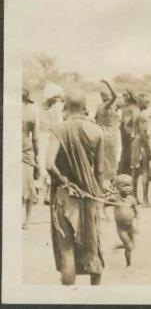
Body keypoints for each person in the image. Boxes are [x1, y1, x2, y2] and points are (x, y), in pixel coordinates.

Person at [45, 90, 105, 286]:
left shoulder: (59, 129)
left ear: (65, 108)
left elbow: (49, 165)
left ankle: (69, 299)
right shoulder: (97, 131)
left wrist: (63, 180)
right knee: (92, 244)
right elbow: (100, 170)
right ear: (85, 107)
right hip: (90, 195)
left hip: (65, 195)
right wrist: (99, 197)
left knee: (67, 249)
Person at [38, 83, 64, 205]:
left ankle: (48, 194)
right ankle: (39, 194)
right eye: (56, 97)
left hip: (52, 138)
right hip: (42, 138)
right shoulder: (39, 109)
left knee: (51, 163)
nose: (57, 100)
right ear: (50, 97)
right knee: (41, 163)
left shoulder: (57, 109)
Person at [107, 174, 138, 267]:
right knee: (129, 247)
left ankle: (122, 245)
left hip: (130, 226)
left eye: (129, 185)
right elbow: (103, 204)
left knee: (132, 246)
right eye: (124, 185)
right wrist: (105, 215)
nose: (127, 188)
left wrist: (137, 224)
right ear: (117, 187)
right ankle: (128, 264)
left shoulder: (132, 199)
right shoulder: (115, 198)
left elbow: (136, 212)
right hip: (121, 228)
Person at [95, 80, 120, 189]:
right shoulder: (106, 105)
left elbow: (95, 120)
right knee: (111, 161)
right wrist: (107, 83)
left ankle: (106, 185)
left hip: (103, 134)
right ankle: (110, 186)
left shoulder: (100, 106)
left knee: (106, 160)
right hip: (110, 136)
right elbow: (115, 96)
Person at [130, 93, 151, 206]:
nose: (148, 103)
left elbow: (127, 126)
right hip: (141, 144)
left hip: (134, 142)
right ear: (140, 102)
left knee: (135, 172)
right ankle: (145, 200)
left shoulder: (134, 113)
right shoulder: (142, 116)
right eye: (146, 101)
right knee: (145, 171)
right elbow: (143, 133)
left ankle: (135, 198)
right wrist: (148, 148)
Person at [22, 89, 40, 229]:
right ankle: (27, 220)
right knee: (28, 186)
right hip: (26, 150)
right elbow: (35, 138)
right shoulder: (32, 113)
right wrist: (37, 157)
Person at [119, 90, 140, 175]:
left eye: (126, 95)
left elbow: (135, 119)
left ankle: (126, 170)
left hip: (130, 129)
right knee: (125, 150)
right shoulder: (123, 105)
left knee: (129, 150)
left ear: (131, 95)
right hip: (123, 129)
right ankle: (123, 170)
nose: (124, 97)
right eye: (123, 95)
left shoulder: (134, 106)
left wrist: (133, 131)